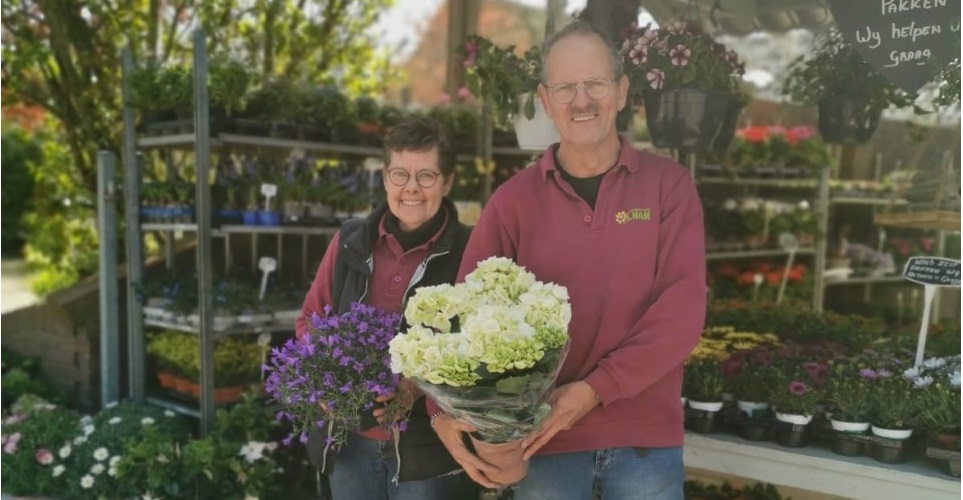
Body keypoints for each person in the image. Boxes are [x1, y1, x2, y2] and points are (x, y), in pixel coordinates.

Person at [429, 20, 706, 499]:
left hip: (643, 442)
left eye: (595, 84)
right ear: (544, 99)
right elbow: (463, 319)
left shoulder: (668, 187)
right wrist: (441, 412)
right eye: (565, 88)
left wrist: (594, 389)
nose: (581, 101)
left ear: (621, 92)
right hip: (543, 447)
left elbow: (682, 314)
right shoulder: (512, 202)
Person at [296, 115, 472, 500]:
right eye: (399, 174)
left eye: (426, 176)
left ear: (448, 181)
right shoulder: (350, 240)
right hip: (350, 443)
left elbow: (477, 352)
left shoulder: (470, 250)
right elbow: (310, 318)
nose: (411, 188)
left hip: (428, 449)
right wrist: (325, 374)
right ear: (384, 178)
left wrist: (414, 389)